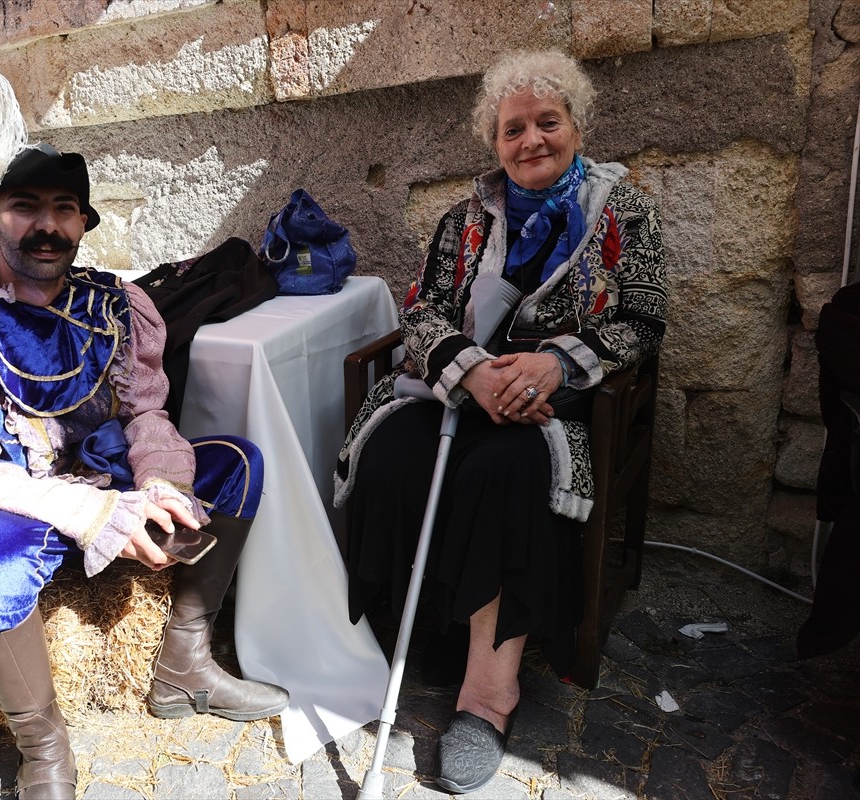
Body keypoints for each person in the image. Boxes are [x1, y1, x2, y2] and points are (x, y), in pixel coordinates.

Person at [0, 144, 289, 800]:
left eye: (64, 210)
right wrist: (97, 515)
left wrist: (164, 484)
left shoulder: (115, 305)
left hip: (101, 477)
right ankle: (43, 747)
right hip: (9, 497)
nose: (47, 226)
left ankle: (184, 664)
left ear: (81, 223)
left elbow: (146, 414)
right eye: (26, 208)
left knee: (237, 466)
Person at [335, 50, 666, 793]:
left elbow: (645, 319)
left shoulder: (622, 211)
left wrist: (556, 363)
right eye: (513, 129)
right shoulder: (465, 217)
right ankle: (420, 633)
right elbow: (422, 310)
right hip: (461, 388)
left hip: (553, 403)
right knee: (390, 452)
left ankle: (487, 693)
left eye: (548, 122)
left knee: (505, 471)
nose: (531, 141)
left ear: (576, 127)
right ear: (495, 141)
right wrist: (472, 370)